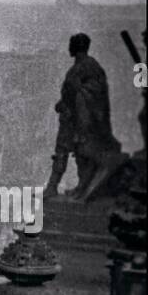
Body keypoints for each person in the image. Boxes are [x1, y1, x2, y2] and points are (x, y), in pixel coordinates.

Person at [47, 33, 122, 199]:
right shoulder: (84, 66)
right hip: (74, 118)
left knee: (75, 153)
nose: (69, 48)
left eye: (71, 45)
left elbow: (87, 92)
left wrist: (70, 101)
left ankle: (74, 187)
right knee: (71, 153)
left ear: (77, 47)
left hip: (78, 119)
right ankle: (65, 188)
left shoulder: (87, 67)